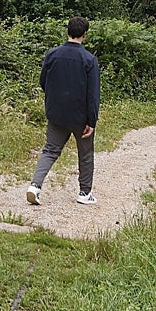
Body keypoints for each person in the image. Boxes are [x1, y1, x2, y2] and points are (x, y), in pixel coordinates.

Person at [27, 16, 100, 206]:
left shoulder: (52, 54)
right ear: (85, 34)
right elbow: (92, 95)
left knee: (50, 150)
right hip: (80, 117)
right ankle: (84, 193)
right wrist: (91, 121)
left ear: (67, 31)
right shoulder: (89, 60)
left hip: (56, 114)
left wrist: (55, 99)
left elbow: (43, 82)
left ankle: (35, 186)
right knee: (85, 154)